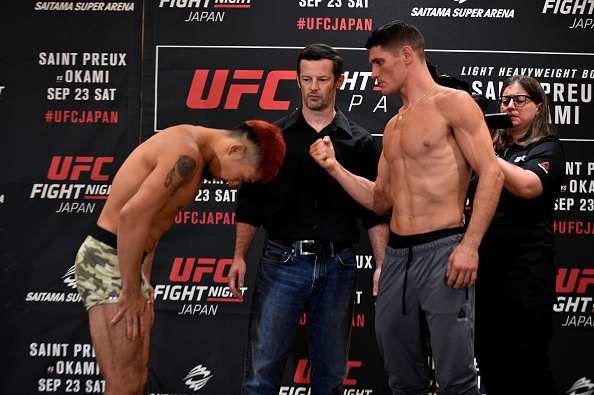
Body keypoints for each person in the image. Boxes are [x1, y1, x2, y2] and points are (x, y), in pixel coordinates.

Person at [309, 21, 504, 394]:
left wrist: (470, 245)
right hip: (398, 255)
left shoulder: (453, 104)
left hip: (444, 249)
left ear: (408, 55)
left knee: (455, 377)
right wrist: (334, 168)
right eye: (371, 65)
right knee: (400, 376)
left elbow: (491, 174)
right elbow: (380, 198)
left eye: (379, 63)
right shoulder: (393, 126)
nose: (373, 74)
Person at [74, 121, 285, 395]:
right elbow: (131, 217)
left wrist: (142, 279)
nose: (232, 183)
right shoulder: (184, 153)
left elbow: (150, 225)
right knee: (122, 385)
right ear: (235, 149)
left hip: (127, 263)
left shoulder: (193, 154)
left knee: (136, 381)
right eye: (241, 178)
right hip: (109, 260)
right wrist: (130, 289)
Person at [227, 43, 390, 394]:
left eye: (322, 79)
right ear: (298, 81)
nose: (314, 87)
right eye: (306, 79)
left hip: (339, 265)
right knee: (261, 373)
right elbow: (251, 203)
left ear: (340, 82)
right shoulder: (272, 138)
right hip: (282, 262)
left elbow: (376, 210)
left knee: (330, 377)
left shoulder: (359, 142)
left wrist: (381, 264)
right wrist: (239, 255)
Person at [467, 76, 564, 394]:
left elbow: (528, 186)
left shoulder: (546, 147)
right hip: (485, 275)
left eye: (520, 100)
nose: (510, 106)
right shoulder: (495, 150)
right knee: (491, 365)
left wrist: (485, 156)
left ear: (538, 107)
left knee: (528, 368)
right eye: (506, 100)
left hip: (525, 276)